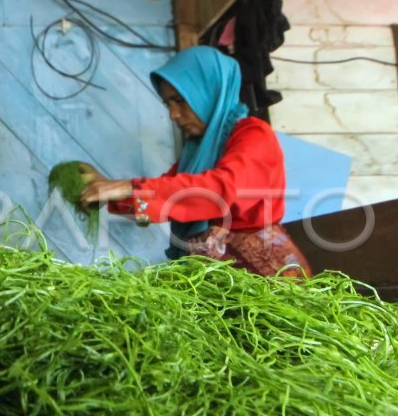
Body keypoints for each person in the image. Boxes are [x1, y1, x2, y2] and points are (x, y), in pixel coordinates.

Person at [79, 46, 310, 277]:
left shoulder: (254, 135)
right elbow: (165, 194)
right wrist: (106, 192)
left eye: (179, 101)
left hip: (266, 281)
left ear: (209, 91)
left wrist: (128, 188)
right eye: (168, 104)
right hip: (220, 279)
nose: (173, 114)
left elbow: (220, 188)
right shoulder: (199, 152)